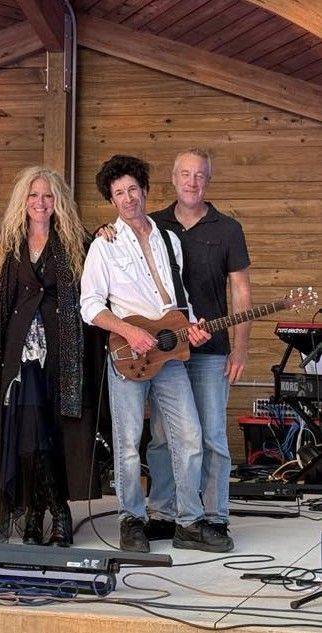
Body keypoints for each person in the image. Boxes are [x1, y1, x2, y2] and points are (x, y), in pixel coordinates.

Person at [80, 154, 233, 553]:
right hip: (128, 354)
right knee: (128, 443)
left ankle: (189, 522)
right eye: (119, 193)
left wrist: (192, 325)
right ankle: (131, 519)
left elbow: (178, 300)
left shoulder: (169, 240)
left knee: (191, 437)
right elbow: (90, 306)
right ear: (111, 200)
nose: (128, 198)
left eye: (133, 189)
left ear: (145, 191)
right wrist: (129, 331)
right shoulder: (104, 245)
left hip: (169, 353)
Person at [0, 166, 101, 548]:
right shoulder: (8, 243)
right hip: (20, 356)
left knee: (53, 434)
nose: (40, 202)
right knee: (29, 435)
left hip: (63, 355)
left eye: (48, 196)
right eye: (33, 195)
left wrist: (107, 233)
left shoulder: (78, 241)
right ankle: (51, 511)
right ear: (23, 200)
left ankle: (39, 515)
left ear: (58, 200)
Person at [146, 149, 251, 544]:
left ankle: (213, 515)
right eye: (185, 174)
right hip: (166, 351)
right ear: (173, 178)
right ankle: (162, 512)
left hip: (211, 352)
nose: (192, 182)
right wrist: (106, 231)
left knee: (211, 437)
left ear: (209, 180)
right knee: (161, 435)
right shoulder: (153, 225)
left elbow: (241, 292)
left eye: (200, 175)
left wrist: (240, 349)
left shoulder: (228, 229)